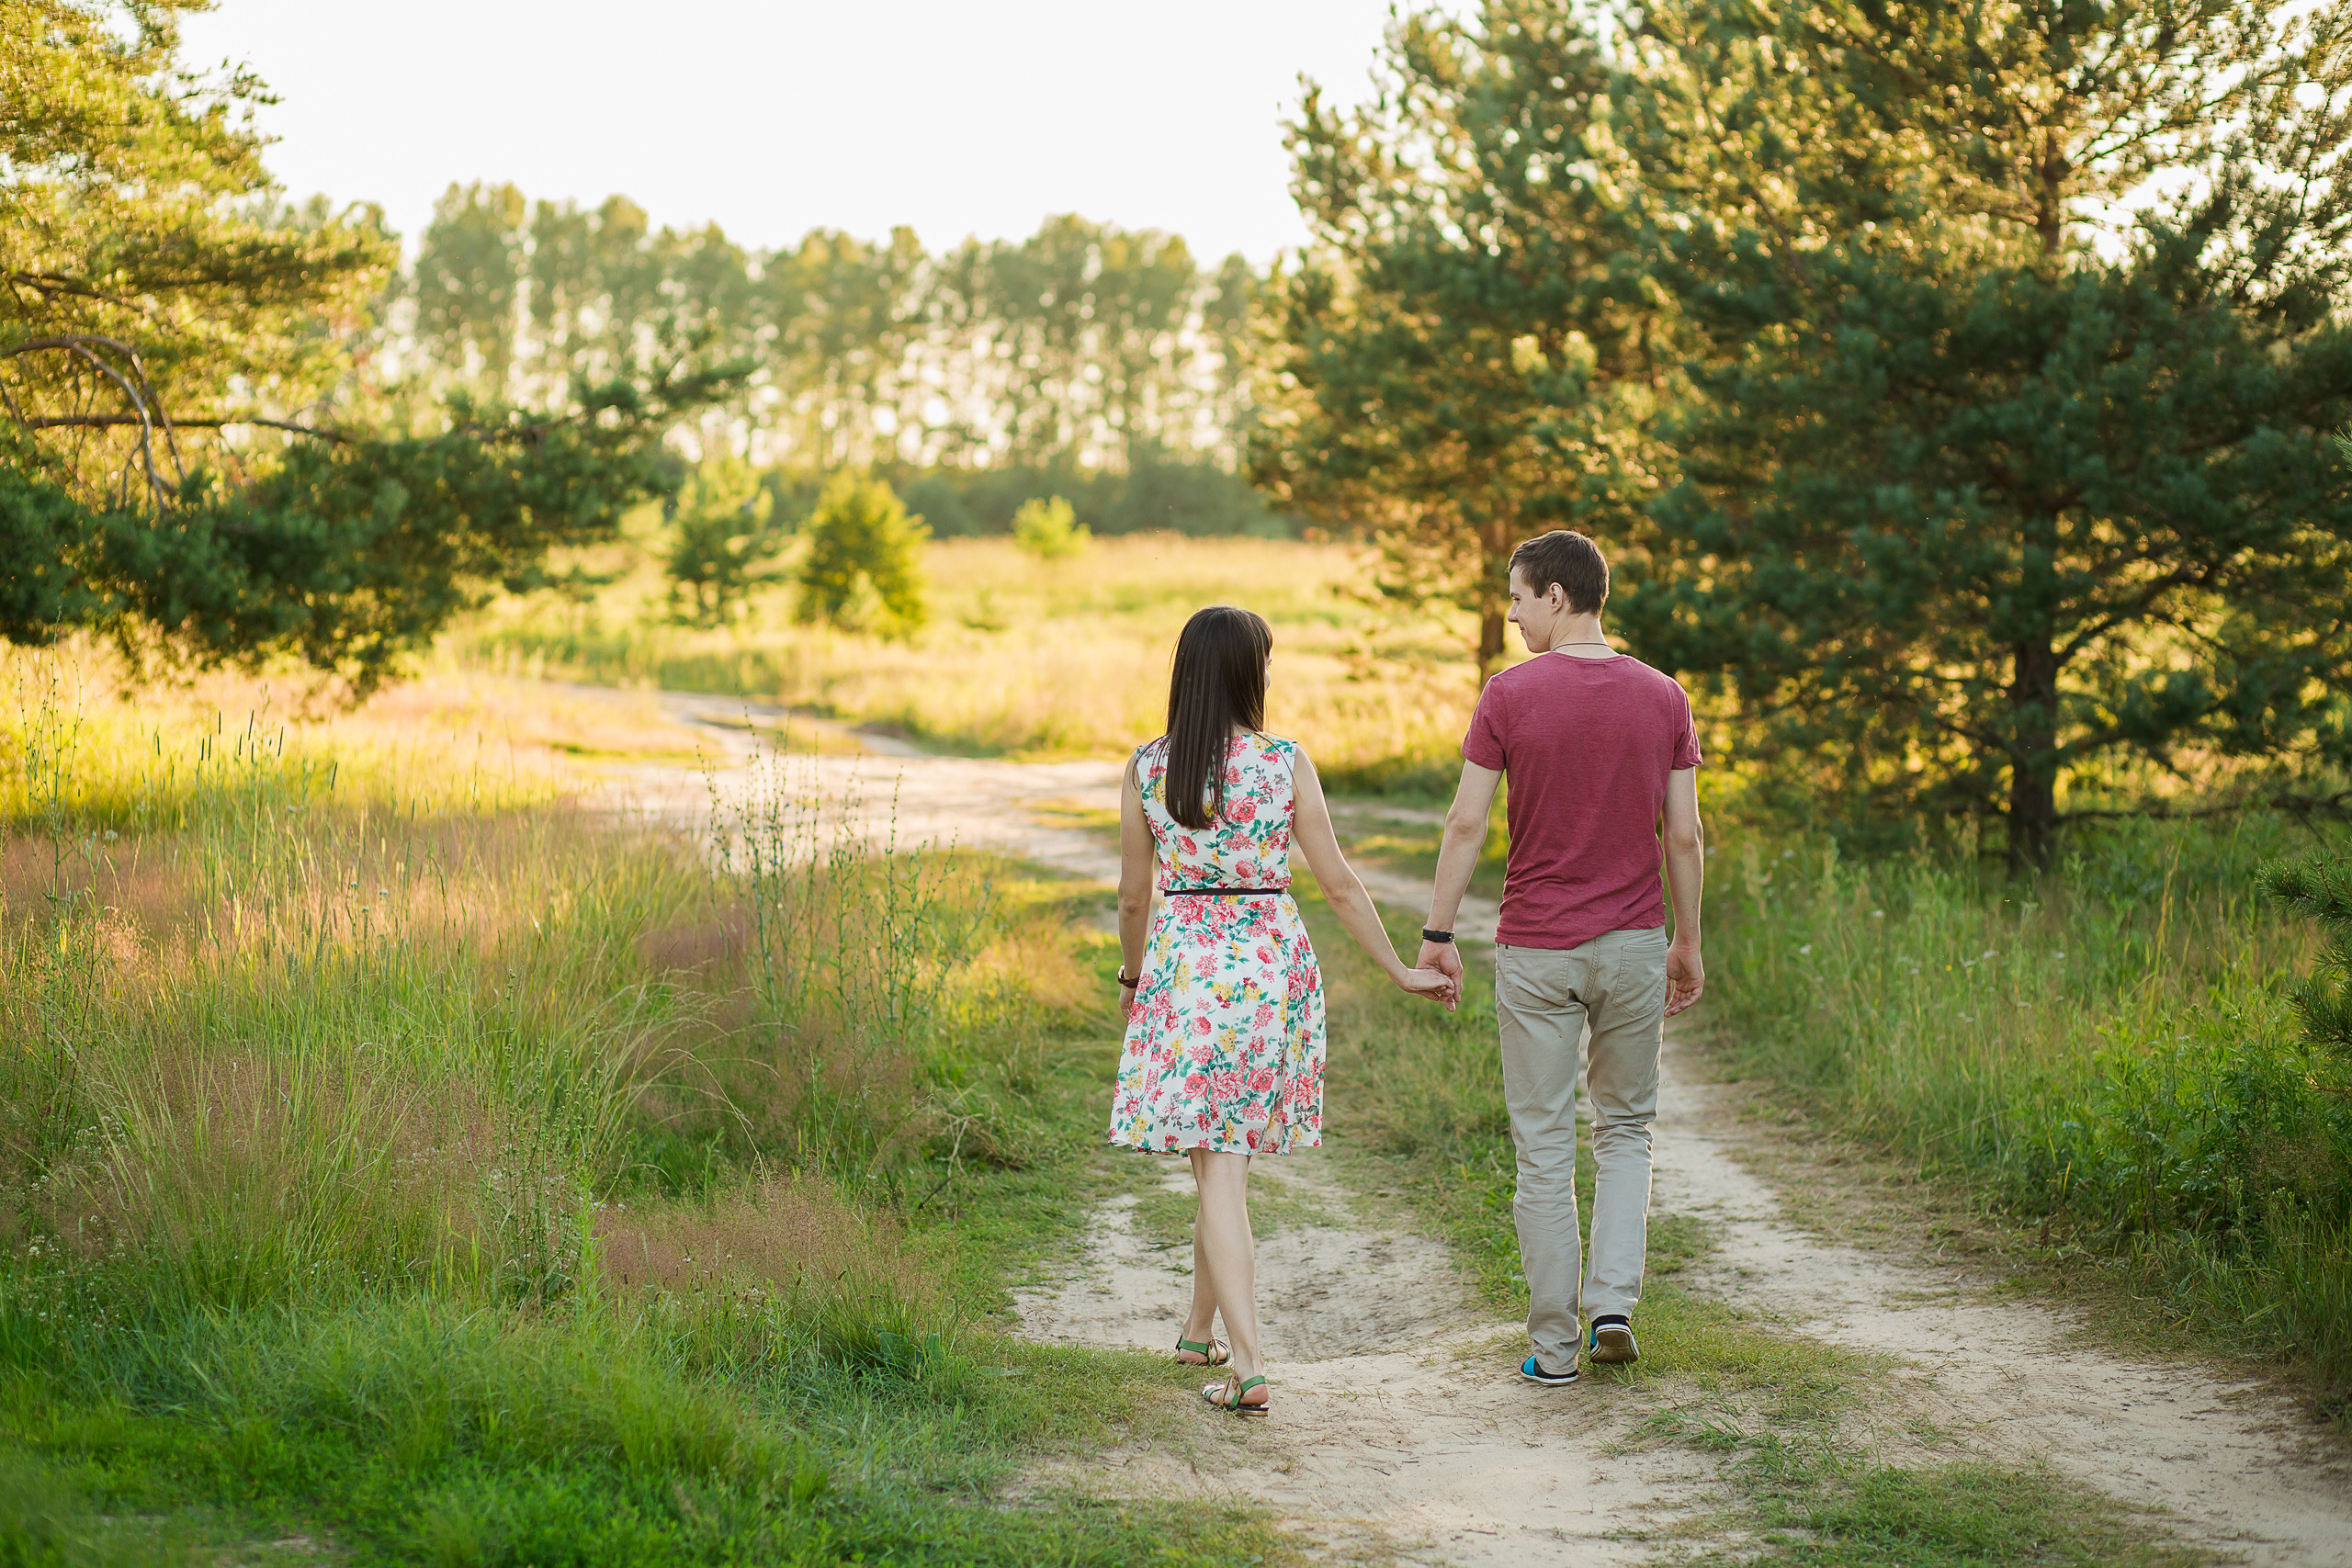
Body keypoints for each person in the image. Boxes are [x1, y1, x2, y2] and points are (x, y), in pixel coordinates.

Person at [1110, 604, 1459, 1418]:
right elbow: (1338, 882)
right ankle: (1201, 1331)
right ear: (1248, 673)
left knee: (1218, 1167)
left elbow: (1134, 895)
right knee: (1222, 1162)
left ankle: (1252, 1365)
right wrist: (1402, 970)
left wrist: (1133, 980)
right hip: (1272, 967)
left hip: (1189, 972)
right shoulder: (1284, 761)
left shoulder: (1147, 766)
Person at [1419, 530, 1705, 1387]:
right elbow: (1683, 832)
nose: (1509, 613)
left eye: (1517, 596)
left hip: (1537, 948)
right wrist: (1686, 941)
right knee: (1625, 1129)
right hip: (1630, 946)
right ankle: (1611, 1306)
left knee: (1543, 1142)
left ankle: (1552, 1346)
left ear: (1557, 595)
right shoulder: (1664, 697)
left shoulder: (1509, 695)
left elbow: (1467, 823)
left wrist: (1437, 937)